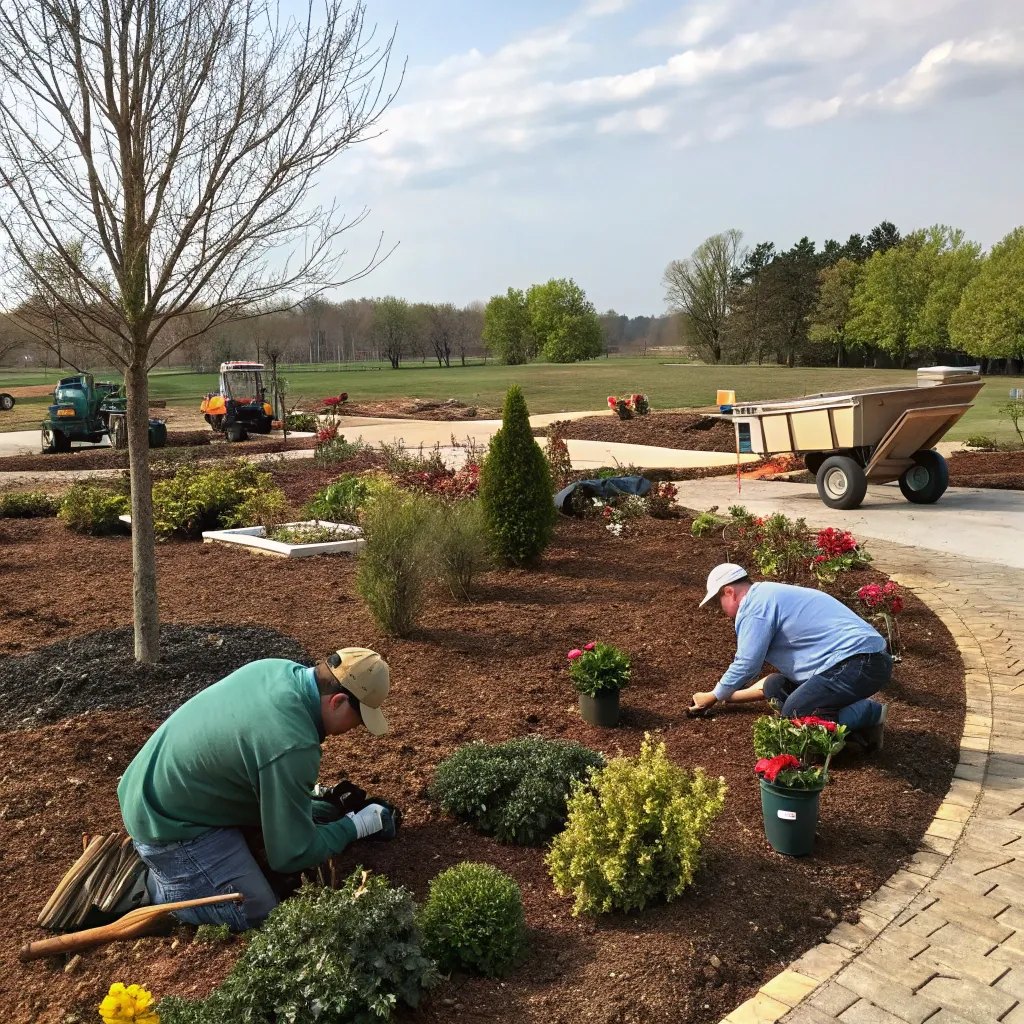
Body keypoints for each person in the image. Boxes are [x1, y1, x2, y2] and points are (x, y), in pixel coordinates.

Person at [118, 647, 396, 931]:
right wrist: (356, 826)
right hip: (169, 827)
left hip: (149, 788)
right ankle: (158, 888)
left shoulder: (277, 670)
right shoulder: (292, 742)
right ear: (337, 702)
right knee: (257, 910)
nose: (356, 728)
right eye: (359, 718)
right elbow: (290, 855)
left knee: (309, 819)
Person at [689, 563, 890, 749]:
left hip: (860, 661)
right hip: (861, 659)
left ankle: (867, 714)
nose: (721, 610)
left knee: (797, 715)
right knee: (775, 686)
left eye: (718, 603)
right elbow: (762, 678)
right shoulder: (767, 595)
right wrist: (724, 697)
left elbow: (747, 664)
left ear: (729, 592)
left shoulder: (754, 607)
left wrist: (714, 695)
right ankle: (851, 716)